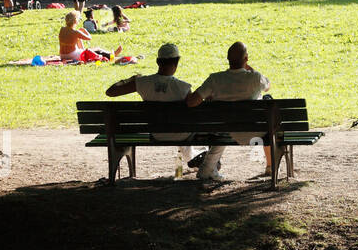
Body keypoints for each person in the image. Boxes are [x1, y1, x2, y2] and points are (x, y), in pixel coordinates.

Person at [186, 42, 274, 181]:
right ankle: (271, 166)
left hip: (224, 130)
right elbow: (267, 86)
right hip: (255, 131)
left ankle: (207, 170)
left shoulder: (215, 79)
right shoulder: (255, 77)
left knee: (221, 126)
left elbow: (191, 102)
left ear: (228, 59)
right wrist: (250, 69)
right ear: (246, 59)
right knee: (268, 100)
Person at [107, 43, 197, 171]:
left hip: (156, 133)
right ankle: (197, 160)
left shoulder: (142, 83)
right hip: (181, 134)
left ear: (157, 62)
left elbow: (111, 92)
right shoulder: (184, 87)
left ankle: (191, 158)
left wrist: (131, 79)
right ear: (176, 63)